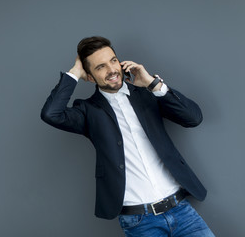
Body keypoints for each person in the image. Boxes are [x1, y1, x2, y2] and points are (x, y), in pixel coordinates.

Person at [41, 36, 214, 236]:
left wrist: (152, 83)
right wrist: (75, 73)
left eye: (113, 60)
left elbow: (193, 118)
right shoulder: (88, 111)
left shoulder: (146, 93)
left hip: (182, 211)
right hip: (140, 222)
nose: (112, 70)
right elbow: (51, 114)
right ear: (89, 77)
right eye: (100, 67)